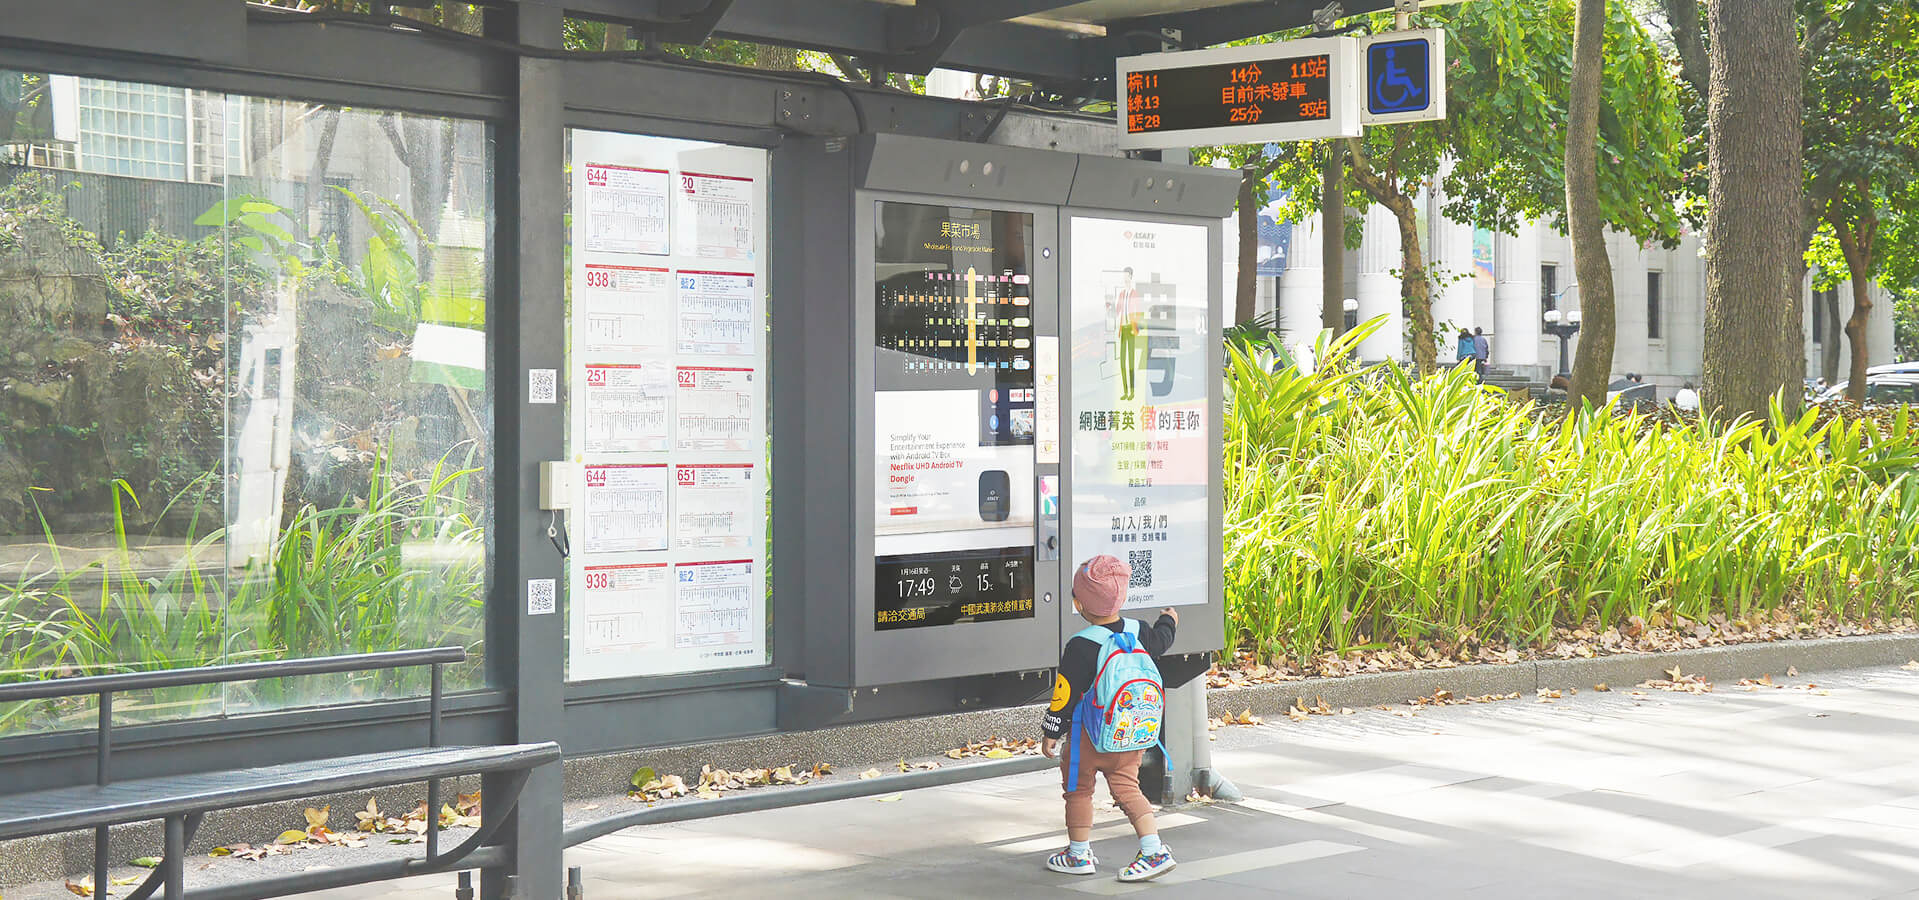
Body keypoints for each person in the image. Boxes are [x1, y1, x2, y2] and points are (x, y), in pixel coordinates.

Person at [1041, 555, 1180, 883]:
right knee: (1129, 790)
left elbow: (1065, 693)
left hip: (1088, 737)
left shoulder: (1081, 645)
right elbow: (1162, 641)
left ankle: (1078, 855)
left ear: (1079, 604)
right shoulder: (1139, 631)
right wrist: (1168, 620)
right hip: (1130, 734)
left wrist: (1052, 730)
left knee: (1078, 789)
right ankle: (1153, 849)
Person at [1115, 269, 1144, 401]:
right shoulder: (1121, 294)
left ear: (1131, 277)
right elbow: (1117, 311)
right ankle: (1125, 391)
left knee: (1131, 362)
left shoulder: (1134, 294)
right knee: (1122, 362)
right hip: (1123, 329)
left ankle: (1132, 392)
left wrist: (1136, 327)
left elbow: (1138, 312)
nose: (1125, 278)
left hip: (1131, 329)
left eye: (1126, 276)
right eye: (1123, 276)